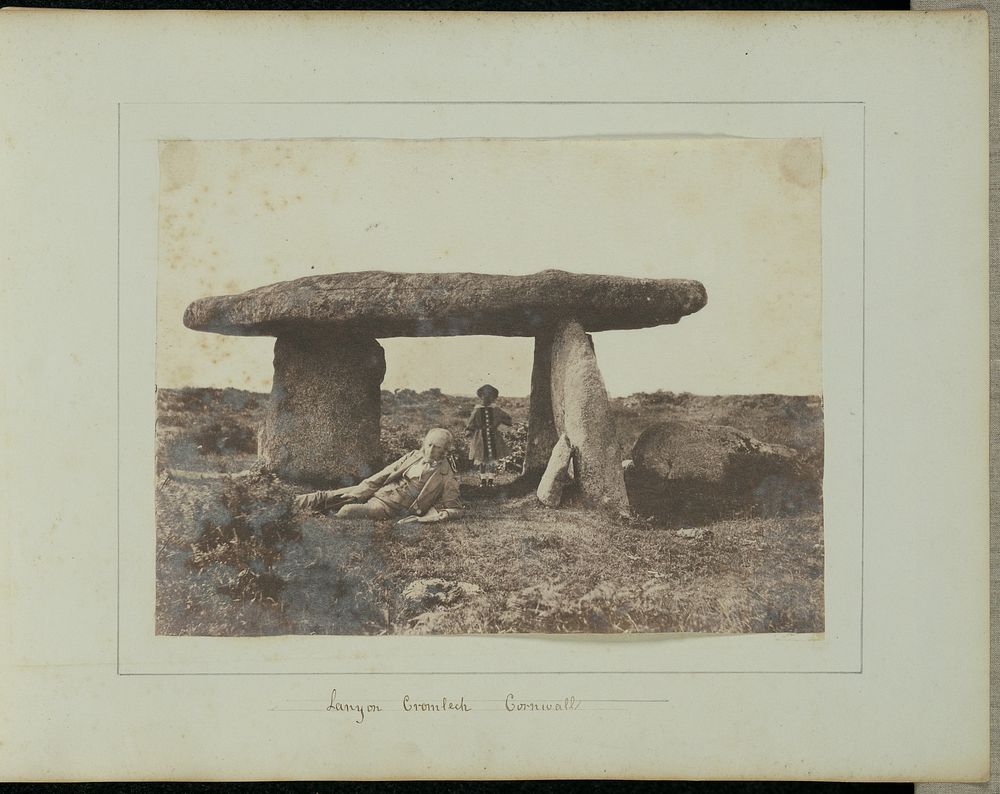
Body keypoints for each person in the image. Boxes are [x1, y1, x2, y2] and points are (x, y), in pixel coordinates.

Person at [293, 428, 463, 524]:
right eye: (429, 444)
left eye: (438, 447)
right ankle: (283, 504)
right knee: (326, 495)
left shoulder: (447, 476)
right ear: (424, 443)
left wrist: (428, 517)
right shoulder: (413, 455)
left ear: (446, 451)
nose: (431, 450)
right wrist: (358, 492)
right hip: (377, 491)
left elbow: (455, 509)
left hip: (389, 507)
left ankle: (318, 520)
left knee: (346, 510)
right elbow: (383, 474)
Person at [465, 383, 512, 488]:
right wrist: (469, 431)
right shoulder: (477, 410)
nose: (486, 398)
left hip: (493, 436)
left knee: (492, 459)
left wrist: (500, 421)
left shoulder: (496, 409)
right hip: (480, 437)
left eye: (489, 396)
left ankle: (490, 480)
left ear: (493, 398)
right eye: (484, 396)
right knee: (481, 458)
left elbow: (506, 418)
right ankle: (483, 481)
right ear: (481, 397)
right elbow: (471, 422)